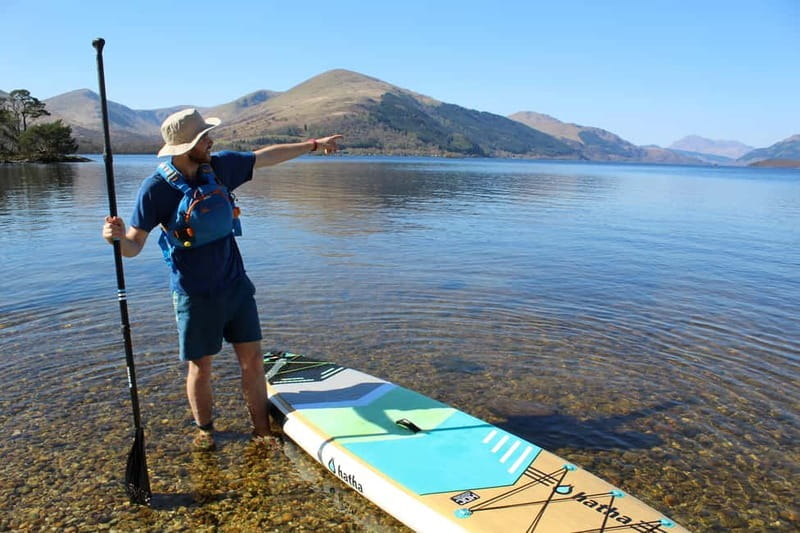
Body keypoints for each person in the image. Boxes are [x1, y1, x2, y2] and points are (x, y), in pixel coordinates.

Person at [102, 108, 342, 451]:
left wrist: (314, 144)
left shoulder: (217, 166)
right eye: (203, 138)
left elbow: (264, 157)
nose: (210, 141)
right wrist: (114, 237)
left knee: (254, 359)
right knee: (201, 366)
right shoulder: (155, 189)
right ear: (186, 147)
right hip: (195, 294)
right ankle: (206, 431)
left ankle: (261, 430)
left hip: (235, 285)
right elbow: (133, 246)